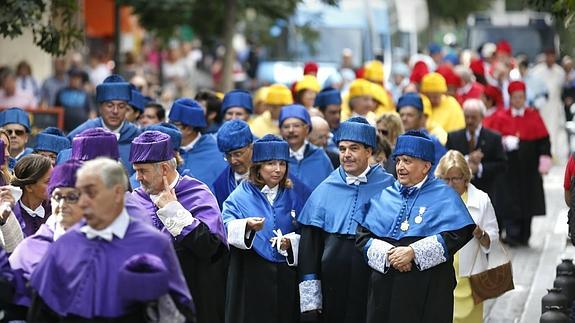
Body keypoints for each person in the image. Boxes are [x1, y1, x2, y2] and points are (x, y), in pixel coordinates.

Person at [28, 158, 194, 321]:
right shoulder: (65, 244)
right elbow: (42, 311)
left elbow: (179, 312)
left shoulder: (153, 243)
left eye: (91, 192)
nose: (83, 201)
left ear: (117, 193)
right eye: (79, 193)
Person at [355, 130, 475, 323]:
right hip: (386, 288)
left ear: (426, 166)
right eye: (398, 160)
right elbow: (362, 237)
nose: (400, 167)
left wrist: (413, 253)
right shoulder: (384, 196)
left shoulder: (445, 196)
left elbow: (458, 234)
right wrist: (390, 255)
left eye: (407, 161)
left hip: (428, 289)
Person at [297, 117, 394, 323]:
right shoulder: (325, 188)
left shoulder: (389, 188)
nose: (346, 155)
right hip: (332, 291)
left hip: (372, 289)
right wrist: (310, 305)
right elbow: (309, 252)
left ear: (369, 152)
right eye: (342, 149)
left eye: (354, 148)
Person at [129, 130, 227, 323]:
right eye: (135, 170)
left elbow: (210, 247)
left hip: (192, 295)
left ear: (164, 168)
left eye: (143, 171)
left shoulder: (197, 193)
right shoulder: (135, 199)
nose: (137, 177)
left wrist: (173, 210)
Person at [222, 134, 308, 323]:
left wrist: (292, 243)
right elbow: (225, 225)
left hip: (286, 275)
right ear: (258, 167)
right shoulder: (240, 196)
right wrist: (246, 226)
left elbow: (307, 233)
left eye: (282, 164)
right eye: (270, 163)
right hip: (251, 272)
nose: (278, 170)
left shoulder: (295, 194)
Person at [3, 160, 83, 320]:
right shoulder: (28, 245)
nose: (63, 204)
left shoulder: (104, 242)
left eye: (72, 197)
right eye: (57, 196)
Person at [434, 150, 499, 323]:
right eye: (445, 179)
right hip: (440, 277)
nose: (450, 184)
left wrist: (480, 234)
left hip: (471, 278)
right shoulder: (434, 200)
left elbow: (493, 239)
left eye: (455, 178)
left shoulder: (481, 200)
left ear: (466, 177)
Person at [487, 81, 552, 246]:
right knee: (509, 202)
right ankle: (512, 235)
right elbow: (493, 138)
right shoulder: (501, 116)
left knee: (528, 202)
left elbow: (544, 141)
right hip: (508, 171)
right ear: (510, 98)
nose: (518, 100)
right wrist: (503, 141)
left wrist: (544, 161)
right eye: (515, 97)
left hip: (529, 170)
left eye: (521, 97)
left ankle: (525, 235)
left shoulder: (533, 115)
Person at [446, 99, 507, 226]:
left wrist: (479, 168)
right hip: (460, 195)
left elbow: (502, 165)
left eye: (473, 117)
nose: (469, 121)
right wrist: (467, 159)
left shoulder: (494, 138)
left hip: (487, 191)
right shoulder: (453, 137)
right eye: (467, 117)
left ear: (481, 117)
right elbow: (447, 162)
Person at [66, 74, 140, 175]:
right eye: (110, 105)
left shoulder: (136, 136)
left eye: (121, 106)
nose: (115, 111)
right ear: (100, 107)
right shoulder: (81, 134)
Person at [169, 98, 227, 187]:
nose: (169, 129)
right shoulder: (165, 148)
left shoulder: (216, 152)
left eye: (174, 124)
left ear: (189, 128)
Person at [280, 104, 333, 190]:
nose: (291, 130)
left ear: (307, 129)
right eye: (286, 127)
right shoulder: (275, 158)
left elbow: (330, 190)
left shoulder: (320, 156)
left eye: (296, 126)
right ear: (280, 130)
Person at [529, 48, 568, 160]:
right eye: (548, 56)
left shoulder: (560, 72)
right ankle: (541, 153)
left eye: (552, 56)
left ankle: (552, 153)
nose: (550, 58)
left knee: (554, 131)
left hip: (555, 107)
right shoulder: (537, 71)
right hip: (541, 107)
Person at [212, 120, 254, 209]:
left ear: (251, 147)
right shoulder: (220, 185)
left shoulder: (269, 174)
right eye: (228, 155)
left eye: (238, 154)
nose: (233, 161)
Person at [397, 93, 446, 166]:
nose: (404, 118)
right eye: (401, 115)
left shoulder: (431, 142)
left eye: (410, 115)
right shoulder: (396, 140)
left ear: (421, 118)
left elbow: (438, 172)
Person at [11, 155, 53, 237]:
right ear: (29, 187)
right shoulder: (11, 214)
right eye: (48, 181)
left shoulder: (55, 209)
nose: (54, 184)